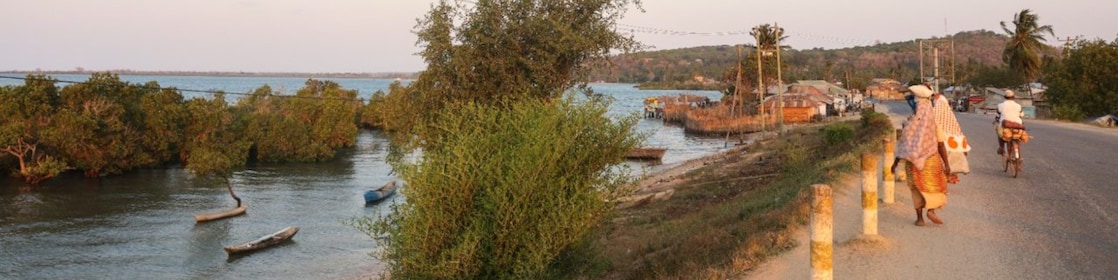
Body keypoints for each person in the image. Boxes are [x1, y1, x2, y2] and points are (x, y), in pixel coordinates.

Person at [891, 85, 951, 226]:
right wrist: (947, 164)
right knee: (935, 186)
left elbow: (903, 146)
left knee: (916, 188)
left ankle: (920, 218)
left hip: (913, 162)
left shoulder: (910, 124)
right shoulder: (934, 124)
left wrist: (895, 163)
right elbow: (941, 145)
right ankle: (931, 210)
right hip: (932, 160)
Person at [995, 90, 1025, 155]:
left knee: (999, 132)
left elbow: (997, 116)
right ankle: (1018, 154)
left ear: (1005, 97)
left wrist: (997, 119)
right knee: (1017, 137)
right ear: (1013, 97)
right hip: (1017, 125)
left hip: (1005, 125)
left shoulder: (1000, 105)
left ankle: (1001, 147)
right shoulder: (1018, 106)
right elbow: (1022, 115)